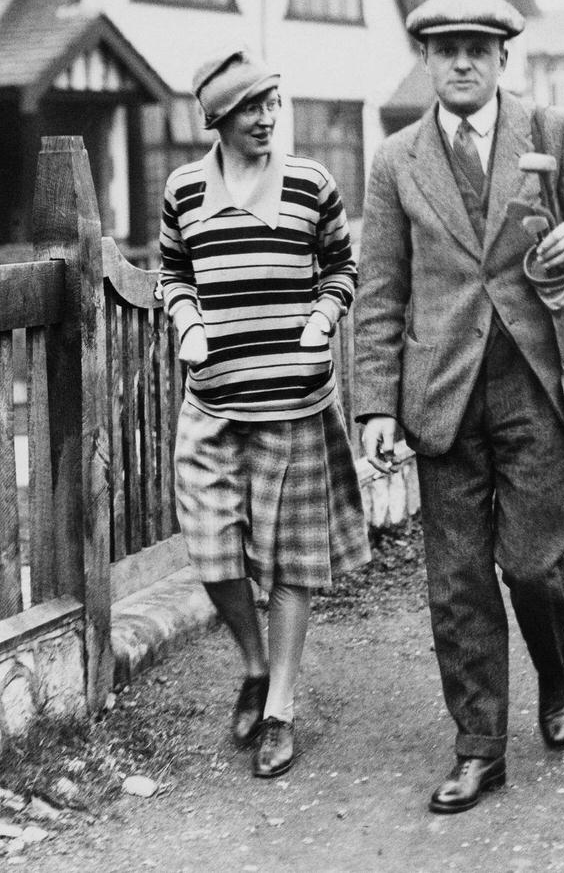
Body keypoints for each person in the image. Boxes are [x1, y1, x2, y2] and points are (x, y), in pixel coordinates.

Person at [353, 0, 564, 814]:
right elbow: (381, 291)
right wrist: (374, 404)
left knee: (533, 567)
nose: (464, 62)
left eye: (479, 47)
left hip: (534, 386)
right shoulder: (397, 160)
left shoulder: (549, 135)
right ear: (428, 62)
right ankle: (479, 747)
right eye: (447, 51)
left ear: (504, 56)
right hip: (441, 396)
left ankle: (555, 669)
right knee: (457, 584)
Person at [159, 46, 369, 779]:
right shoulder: (184, 191)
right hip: (214, 403)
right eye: (251, 107)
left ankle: (279, 707)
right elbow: (172, 271)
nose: (267, 119)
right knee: (211, 548)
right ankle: (253, 663)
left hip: (293, 406)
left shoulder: (311, 185)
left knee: (289, 563)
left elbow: (343, 265)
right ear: (217, 118)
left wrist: (324, 315)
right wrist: (185, 319)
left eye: (273, 103)